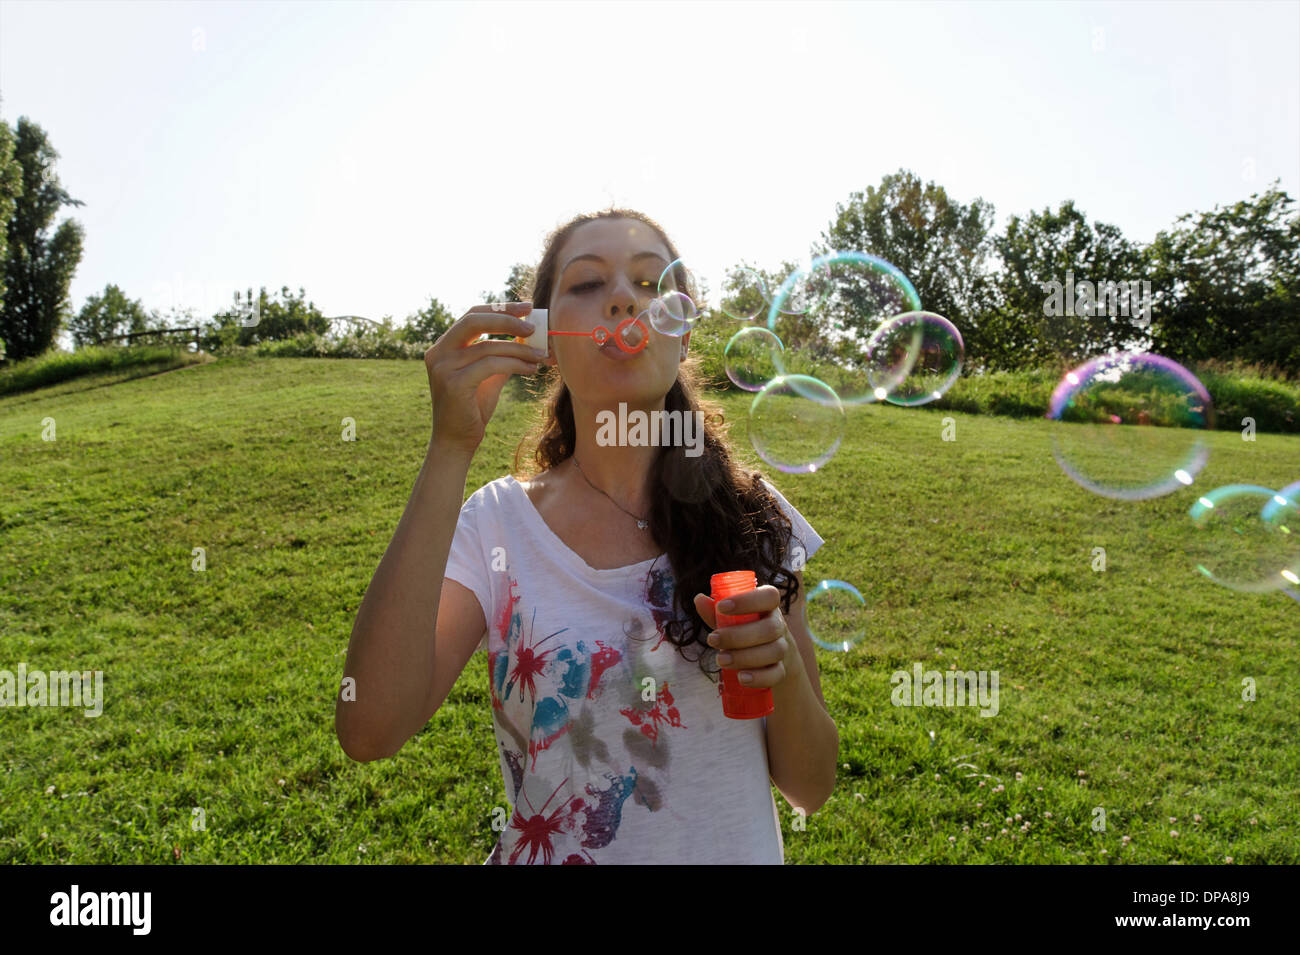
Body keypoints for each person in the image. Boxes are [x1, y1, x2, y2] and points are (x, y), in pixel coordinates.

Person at [336, 208, 839, 864]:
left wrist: (787, 670)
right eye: (587, 284)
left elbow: (811, 785)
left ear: (682, 336)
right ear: (544, 337)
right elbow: (369, 726)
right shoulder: (498, 526)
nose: (624, 298)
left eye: (652, 283)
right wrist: (450, 447)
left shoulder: (752, 513)